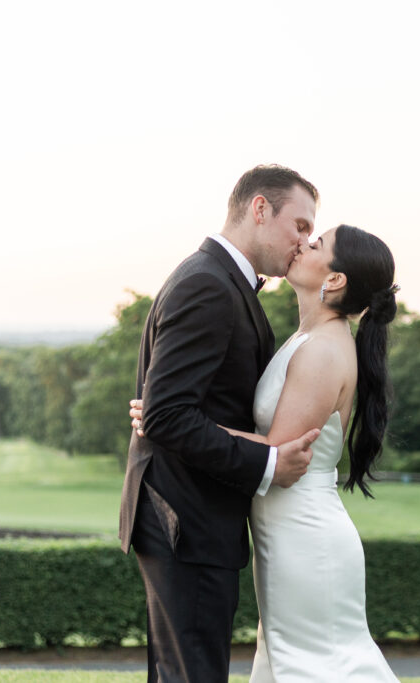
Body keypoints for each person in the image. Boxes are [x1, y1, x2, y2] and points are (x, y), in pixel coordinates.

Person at [132, 224, 401, 680]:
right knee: (289, 662)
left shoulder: (322, 351)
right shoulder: (305, 339)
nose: (303, 243)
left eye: (316, 243)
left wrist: (169, 418)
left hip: (305, 538)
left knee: (315, 665)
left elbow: (279, 453)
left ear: (334, 280)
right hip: (285, 530)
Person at [118, 164, 324, 682]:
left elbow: (171, 407)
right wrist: (269, 461)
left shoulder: (218, 280)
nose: (303, 242)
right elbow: (166, 415)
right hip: (185, 519)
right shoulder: (208, 284)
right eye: (299, 225)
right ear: (259, 208)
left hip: (190, 518)